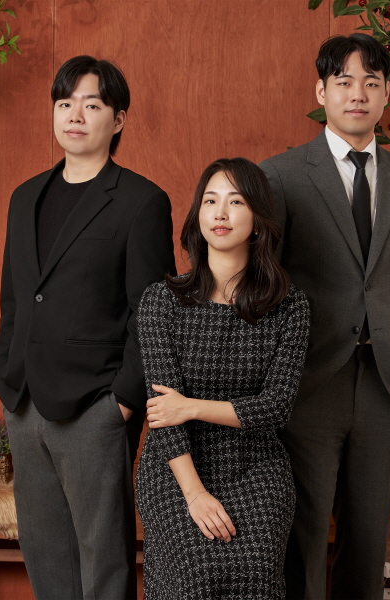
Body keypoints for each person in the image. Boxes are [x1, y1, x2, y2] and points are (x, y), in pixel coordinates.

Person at [259, 34, 390, 599]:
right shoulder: (281, 175)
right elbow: (261, 287)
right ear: (322, 92)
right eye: (344, 82)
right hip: (310, 384)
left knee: (367, 543)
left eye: (371, 83)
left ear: (386, 95)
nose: (357, 94)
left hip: (389, 385)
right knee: (304, 537)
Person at [0, 55, 175, 600]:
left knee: (103, 560)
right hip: (24, 402)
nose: (75, 115)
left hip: (95, 406)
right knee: (44, 552)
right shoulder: (25, 197)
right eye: (65, 103)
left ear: (118, 120)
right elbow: (14, 298)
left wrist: (123, 402)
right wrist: (5, 380)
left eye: (92, 105)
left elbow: (153, 312)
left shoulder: (142, 201)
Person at [135, 158, 310, 599]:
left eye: (236, 202)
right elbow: (163, 416)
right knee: (193, 579)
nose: (221, 213)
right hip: (177, 469)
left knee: (257, 578)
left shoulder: (290, 306)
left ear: (257, 220)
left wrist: (190, 406)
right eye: (210, 201)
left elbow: (275, 408)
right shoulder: (161, 301)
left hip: (256, 468)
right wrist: (194, 494)